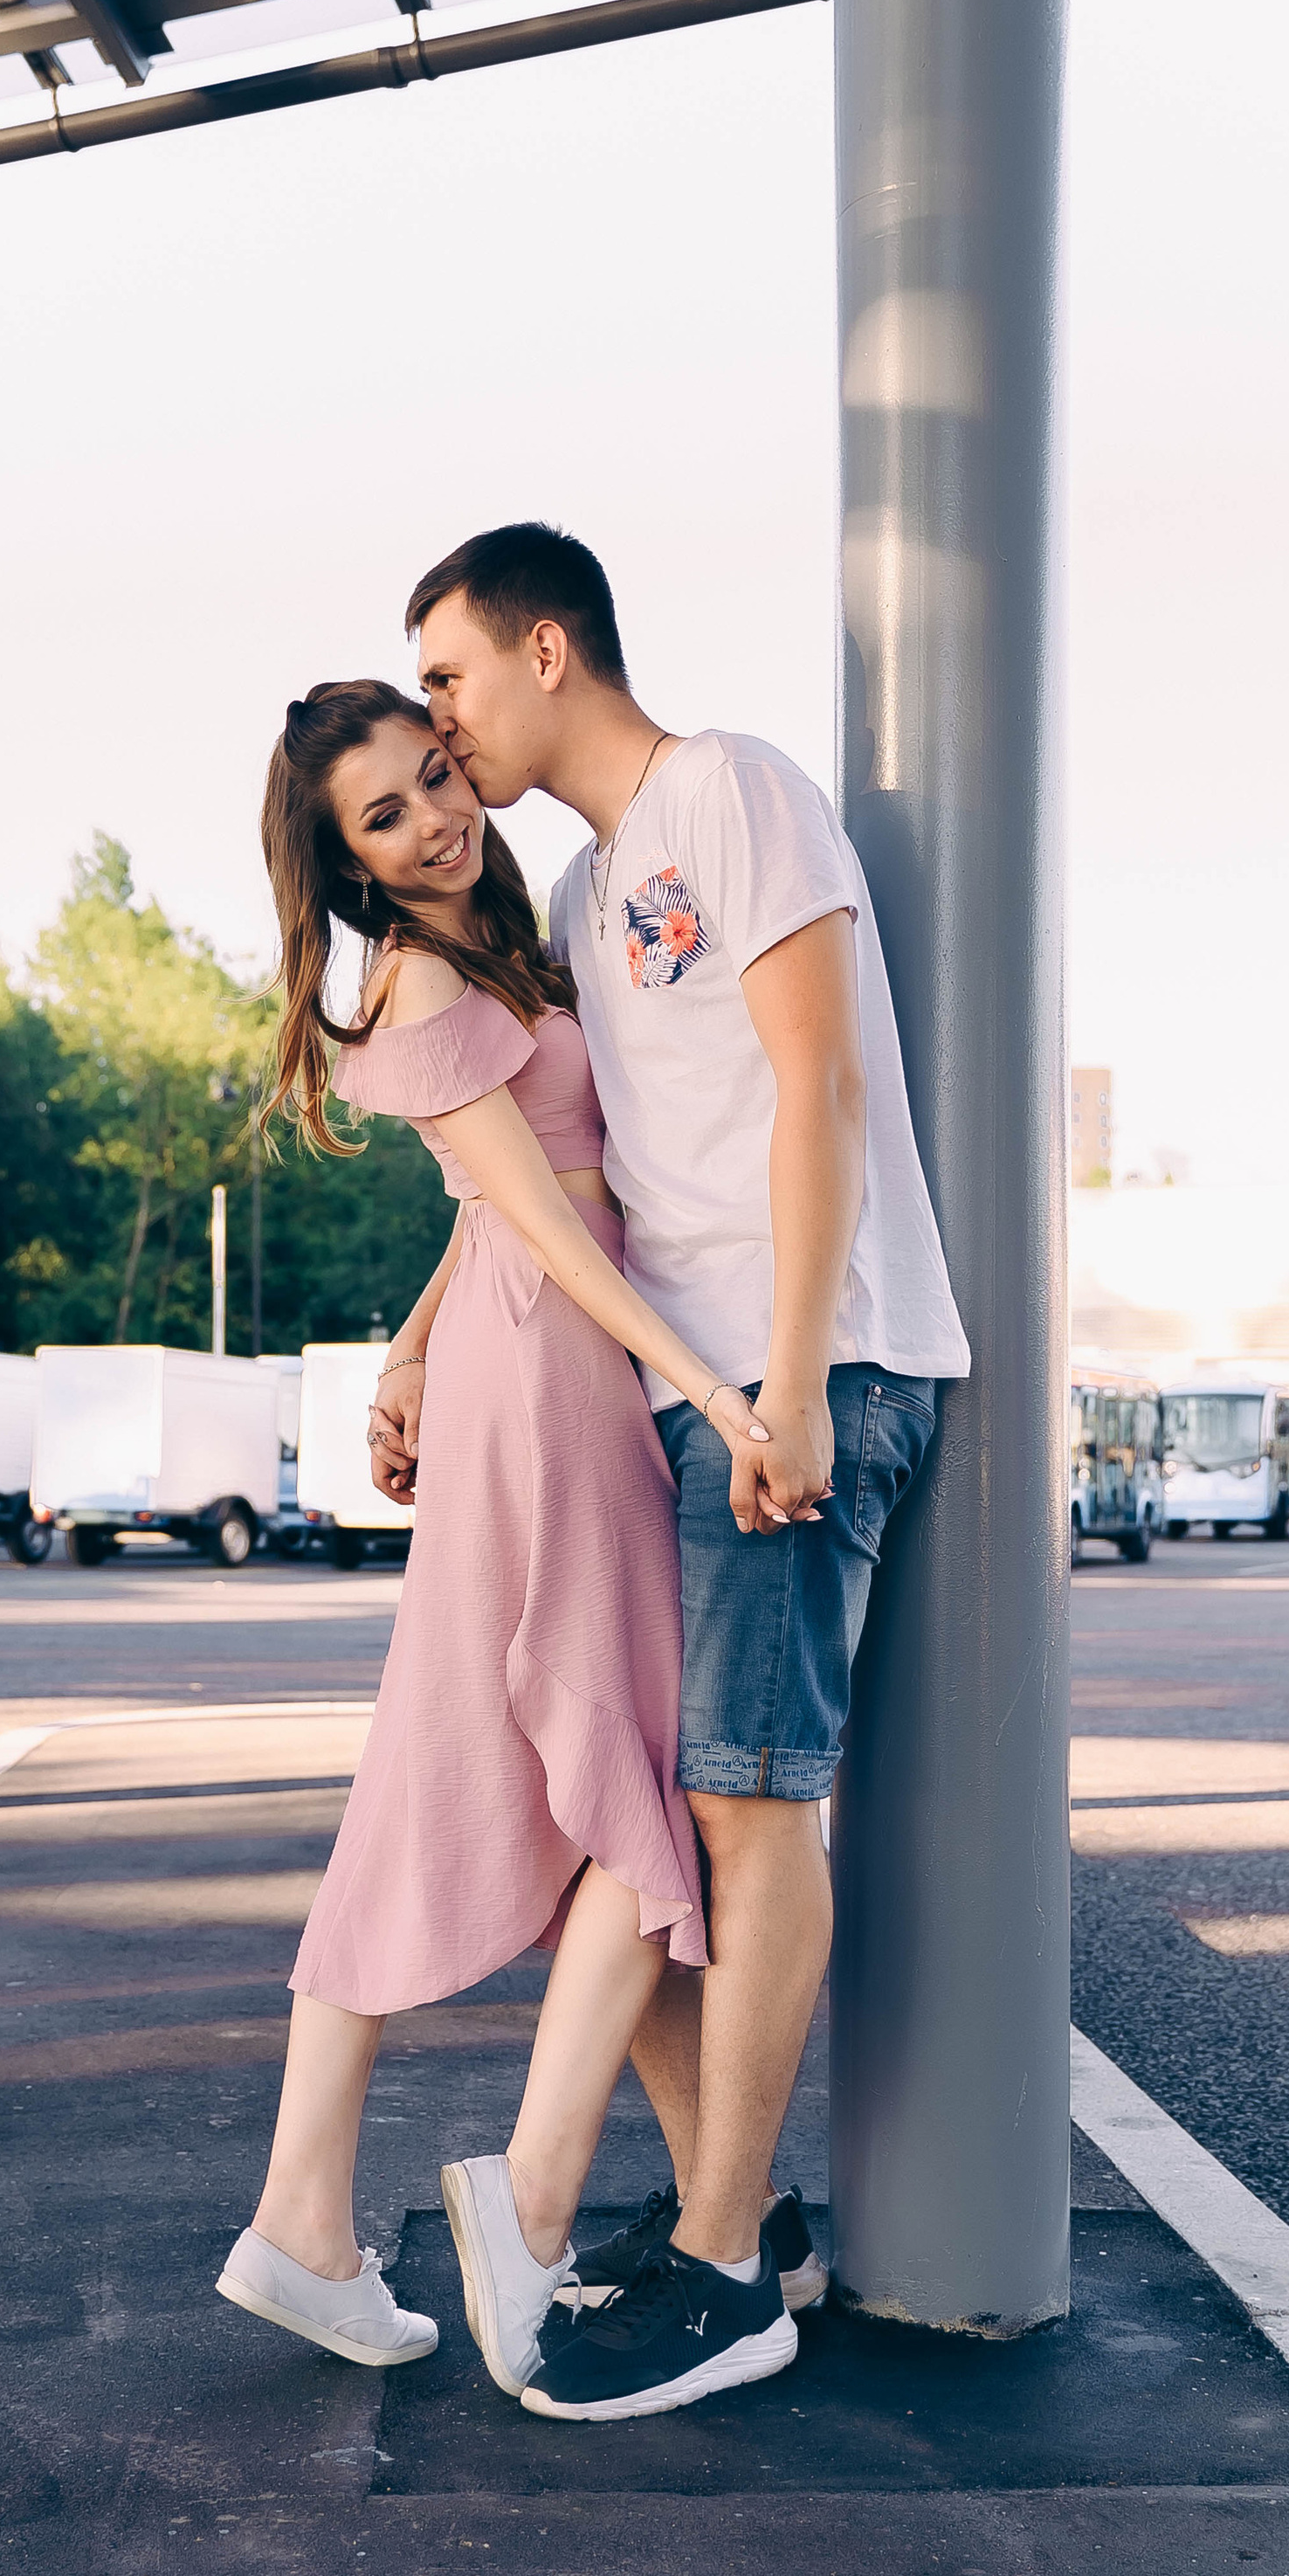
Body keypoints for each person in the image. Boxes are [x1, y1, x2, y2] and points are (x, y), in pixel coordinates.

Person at [371, 522, 968, 2423]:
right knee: (632, 1819)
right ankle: (749, 2214)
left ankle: (724, 2272)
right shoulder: (582, 876)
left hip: (806, 1377)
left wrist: (788, 1376)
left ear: (547, 649)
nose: (440, 729)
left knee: (741, 1812)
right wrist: (409, 1336)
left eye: (450, 681)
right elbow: (551, 1169)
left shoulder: (730, 791)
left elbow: (821, 1086)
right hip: (673, 1399)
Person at [217, 680, 797, 2408]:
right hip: (554, 1382)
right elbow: (543, 1226)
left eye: (427, 779)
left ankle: (306, 2216)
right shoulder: (415, 982)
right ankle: (519, 2202)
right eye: (382, 820)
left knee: (460, 1766)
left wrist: (404, 1345)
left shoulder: (506, 948)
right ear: (344, 868)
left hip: (515, 1356)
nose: (430, 820)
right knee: (632, 1772)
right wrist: (710, 1378)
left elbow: (498, 1201)